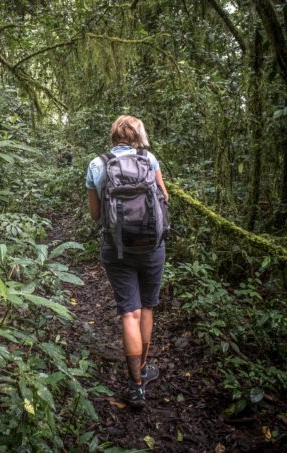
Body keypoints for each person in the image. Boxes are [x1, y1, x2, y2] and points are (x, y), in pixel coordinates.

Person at [85, 115, 169, 408]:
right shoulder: (150, 159)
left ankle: (135, 388)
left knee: (129, 313)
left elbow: (96, 215)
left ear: (113, 136)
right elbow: (164, 197)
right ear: (138, 136)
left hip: (116, 249)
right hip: (151, 247)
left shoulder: (98, 164)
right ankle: (144, 370)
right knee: (146, 308)